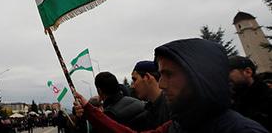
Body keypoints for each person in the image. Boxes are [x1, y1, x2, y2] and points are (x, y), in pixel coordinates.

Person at [73, 38, 268, 132]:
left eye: (169, 74)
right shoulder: (177, 126)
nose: (162, 84)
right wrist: (91, 111)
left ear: (198, 77)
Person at [228, 55, 272, 132]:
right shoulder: (231, 103)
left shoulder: (268, 98)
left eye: (228, 71)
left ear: (248, 72)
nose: (225, 76)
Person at [130, 61, 170, 130]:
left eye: (135, 79)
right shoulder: (147, 112)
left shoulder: (172, 109)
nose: (132, 86)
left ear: (147, 77)